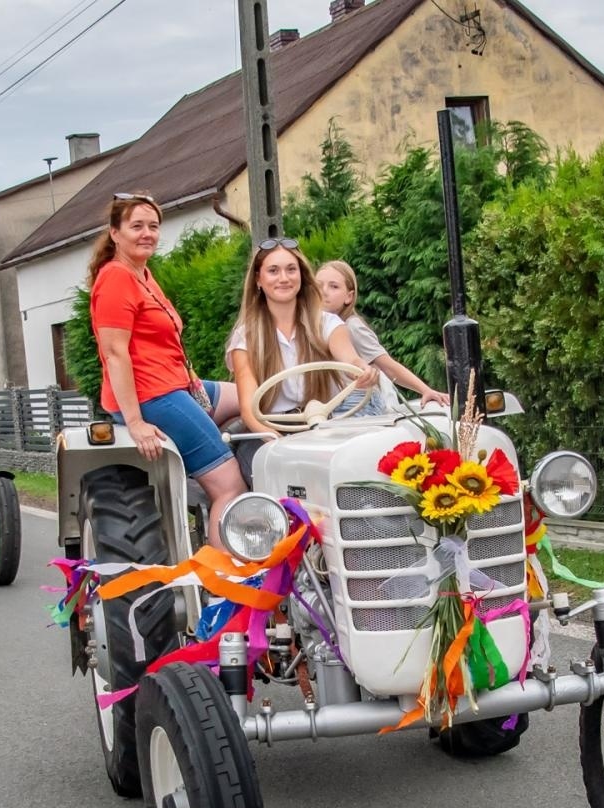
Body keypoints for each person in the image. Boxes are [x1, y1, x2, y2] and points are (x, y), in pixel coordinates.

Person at [88, 192, 246, 546]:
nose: (147, 233)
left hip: (178, 384)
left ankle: (205, 470)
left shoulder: (142, 273)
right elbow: (115, 354)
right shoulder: (116, 278)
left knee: (254, 399)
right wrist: (135, 422)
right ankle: (227, 584)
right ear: (115, 233)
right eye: (136, 226)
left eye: (153, 226)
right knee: (230, 486)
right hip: (153, 396)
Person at [226, 239, 381, 486]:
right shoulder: (245, 338)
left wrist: (361, 370)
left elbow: (349, 357)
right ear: (258, 279)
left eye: (291, 269)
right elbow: (249, 407)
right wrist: (275, 441)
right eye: (273, 270)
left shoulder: (327, 324)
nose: (284, 278)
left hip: (321, 426)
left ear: (301, 276)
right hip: (270, 430)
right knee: (273, 478)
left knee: (356, 472)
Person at [315, 260, 449, 410]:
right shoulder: (312, 329)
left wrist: (425, 390)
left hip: (359, 404)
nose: (324, 291)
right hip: (329, 405)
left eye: (334, 286)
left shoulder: (352, 327)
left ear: (349, 297)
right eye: (319, 286)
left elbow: (387, 365)